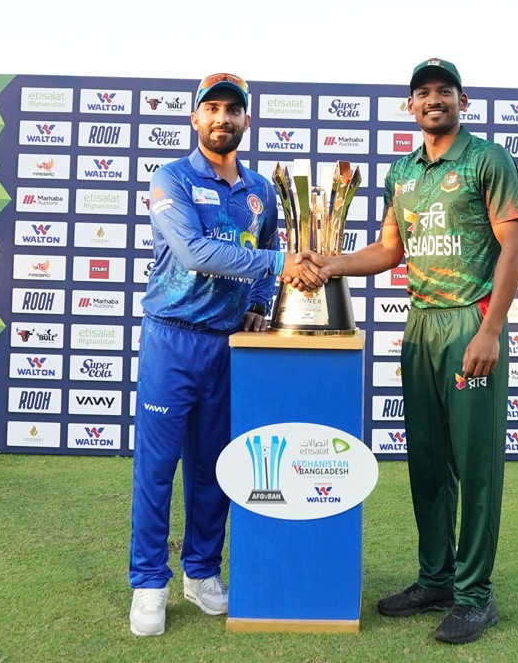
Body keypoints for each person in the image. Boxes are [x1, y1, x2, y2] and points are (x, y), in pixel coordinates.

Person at [315, 58, 518, 644]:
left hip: (470, 322)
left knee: (475, 465)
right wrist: (330, 263)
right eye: (422, 93)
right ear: (410, 107)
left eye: (444, 91)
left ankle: (475, 595)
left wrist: (491, 328)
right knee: (428, 462)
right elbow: (389, 250)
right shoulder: (403, 172)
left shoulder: (487, 159)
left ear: (462, 101)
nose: (433, 99)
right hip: (420, 325)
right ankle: (436, 577)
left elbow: (514, 246)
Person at [128, 72, 323, 637]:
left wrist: (262, 302)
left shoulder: (260, 189)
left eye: (232, 110)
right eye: (211, 108)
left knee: (215, 470)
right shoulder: (173, 178)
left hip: (228, 344)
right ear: (195, 119)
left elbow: (266, 251)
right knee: (158, 470)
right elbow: (191, 251)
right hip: (172, 337)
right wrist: (276, 267)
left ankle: (202, 573)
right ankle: (148, 583)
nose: (221, 118)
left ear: (246, 121)